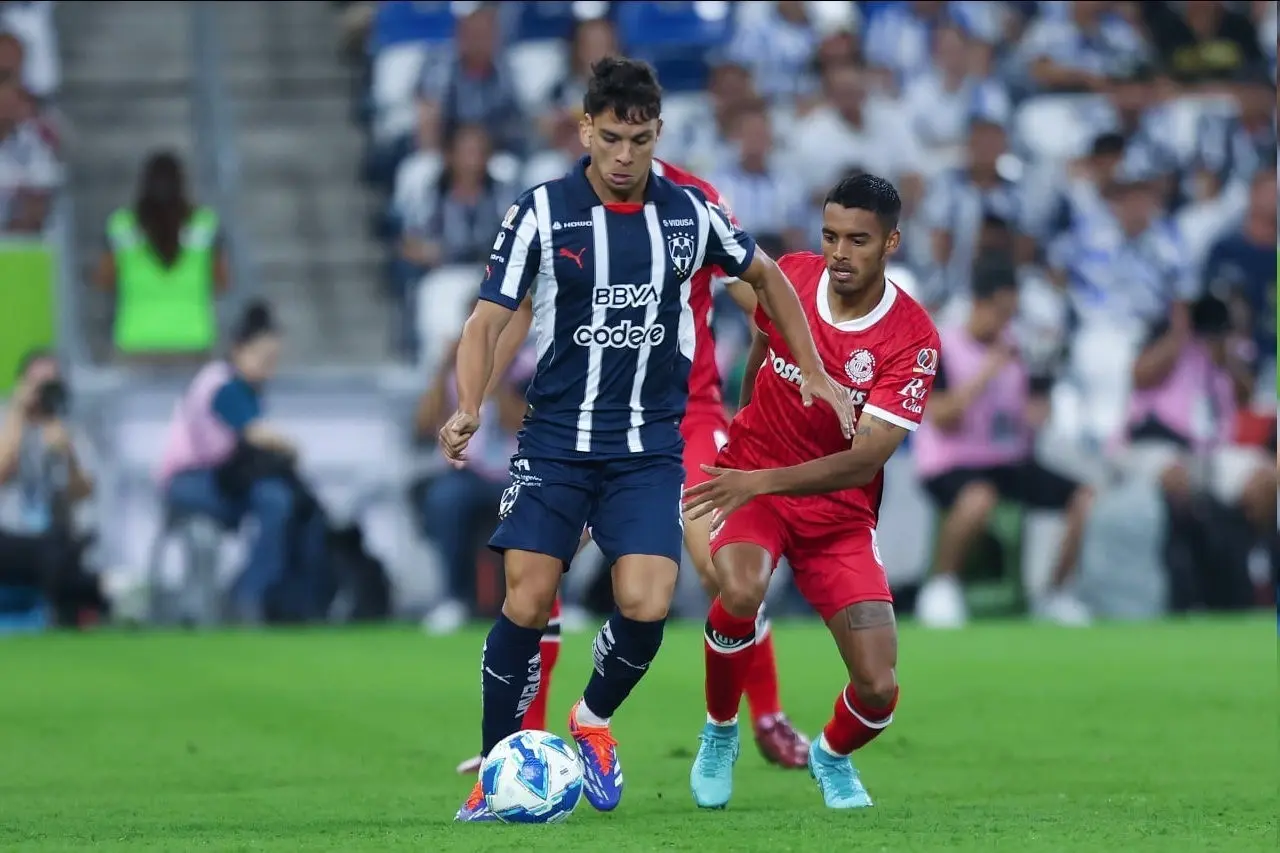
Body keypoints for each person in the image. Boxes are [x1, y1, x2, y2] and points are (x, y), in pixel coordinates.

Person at [441, 57, 852, 822]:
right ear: (584, 129)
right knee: (527, 598)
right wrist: (469, 404)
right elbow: (487, 318)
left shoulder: (691, 210)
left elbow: (765, 279)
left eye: (639, 138)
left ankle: (591, 720)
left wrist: (819, 374)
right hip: (557, 439)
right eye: (612, 137)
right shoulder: (541, 211)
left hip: (648, 443)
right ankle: (497, 768)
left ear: (657, 132)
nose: (625, 155)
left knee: (650, 597)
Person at [681, 174, 940, 810]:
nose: (839, 252)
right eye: (830, 236)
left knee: (878, 687)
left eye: (858, 240)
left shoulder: (911, 339)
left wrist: (756, 479)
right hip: (756, 484)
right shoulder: (790, 278)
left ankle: (831, 753)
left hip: (837, 513)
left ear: (891, 244)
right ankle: (720, 733)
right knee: (738, 587)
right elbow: (765, 340)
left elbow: (864, 461)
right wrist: (745, 433)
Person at [912, 257, 1093, 629]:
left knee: (1084, 498)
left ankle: (1054, 594)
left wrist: (1038, 411)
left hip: (1007, 459)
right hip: (952, 461)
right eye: (1001, 312)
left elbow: (1031, 412)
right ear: (979, 304)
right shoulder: (941, 346)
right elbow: (942, 415)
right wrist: (988, 371)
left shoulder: (1018, 350)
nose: (1006, 322)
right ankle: (942, 586)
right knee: (979, 498)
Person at [156, 301, 328, 624]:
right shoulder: (221, 383)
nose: (269, 370)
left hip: (220, 478)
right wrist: (292, 447)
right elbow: (255, 434)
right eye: (264, 360)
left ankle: (262, 592)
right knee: (275, 500)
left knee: (277, 499)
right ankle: (247, 596)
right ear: (239, 350)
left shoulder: (244, 387)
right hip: (191, 481)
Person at [94, 151, 229, 358]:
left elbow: (104, 280)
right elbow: (221, 282)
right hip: (192, 337)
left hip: (136, 337)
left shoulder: (121, 225)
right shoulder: (205, 224)